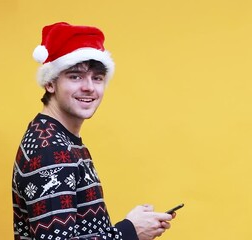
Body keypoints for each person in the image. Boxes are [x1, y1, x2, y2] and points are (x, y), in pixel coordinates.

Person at [12, 22, 176, 240]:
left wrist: (133, 224)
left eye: (97, 77)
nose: (89, 87)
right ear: (50, 83)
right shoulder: (50, 151)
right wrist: (129, 231)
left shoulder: (58, 137)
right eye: (75, 76)